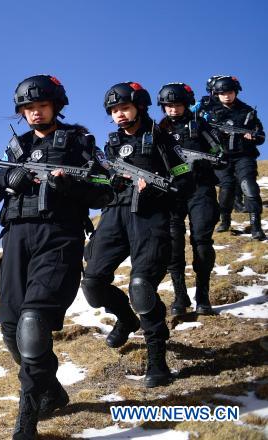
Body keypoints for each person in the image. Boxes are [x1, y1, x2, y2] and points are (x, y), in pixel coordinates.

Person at [0, 75, 112, 440]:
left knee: (32, 322)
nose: (34, 114)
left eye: (40, 106)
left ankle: (27, 419)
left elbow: (107, 187)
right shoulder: (16, 147)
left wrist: (71, 185)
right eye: (27, 109)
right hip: (16, 239)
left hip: (59, 236)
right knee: (10, 326)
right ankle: (50, 390)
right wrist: (7, 182)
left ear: (56, 106)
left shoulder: (78, 142)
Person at [81, 82, 193, 388]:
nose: (119, 115)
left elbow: (185, 178)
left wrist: (157, 186)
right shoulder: (111, 144)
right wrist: (107, 183)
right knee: (92, 285)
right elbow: (102, 181)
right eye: (114, 111)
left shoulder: (162, 139)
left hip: (151, 218)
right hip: (114, 216)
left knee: (141, 288)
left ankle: (157, 361)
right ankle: (127, 319)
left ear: (139, 107)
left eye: (124, 108)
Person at [156, 82, 224, 315]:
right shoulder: (158, 130)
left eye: (177, 105)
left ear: (186, 105)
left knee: (202, 243)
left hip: (200, 189)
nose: (173, 110)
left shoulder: (199, 125)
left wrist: (210, 160)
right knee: (173, 247)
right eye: (168, 106)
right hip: (172, 193)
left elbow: (220, 151)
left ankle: (202, 296)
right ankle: (180, 296)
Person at [197, 76, 265, 241]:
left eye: (229, 92)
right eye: (222, 93)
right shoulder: (208, 112)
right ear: (216, 94)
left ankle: (256, 227)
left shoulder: (247, 112)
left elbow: (261, 135)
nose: (226, 96)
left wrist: (252, 136)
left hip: (244, 156)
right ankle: (225, 220)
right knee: (226, 188)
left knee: (248, 186)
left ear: (235, 92)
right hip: (221, 157)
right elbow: (199, 133)